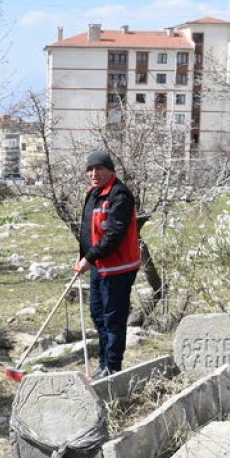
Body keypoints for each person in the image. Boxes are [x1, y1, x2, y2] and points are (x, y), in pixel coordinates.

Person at [72, 151, 141, 381]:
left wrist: (89, 258)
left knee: (113, 318)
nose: (93, 173)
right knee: (98, 315)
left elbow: (113, 235)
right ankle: (103, 363)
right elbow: (86, 230)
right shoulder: (93, 194)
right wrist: (83, 257)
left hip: (118, 269)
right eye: (90, 170)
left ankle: (112, 367)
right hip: (98, 266)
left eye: (99, 168)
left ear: (110, 170)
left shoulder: (119, 195)